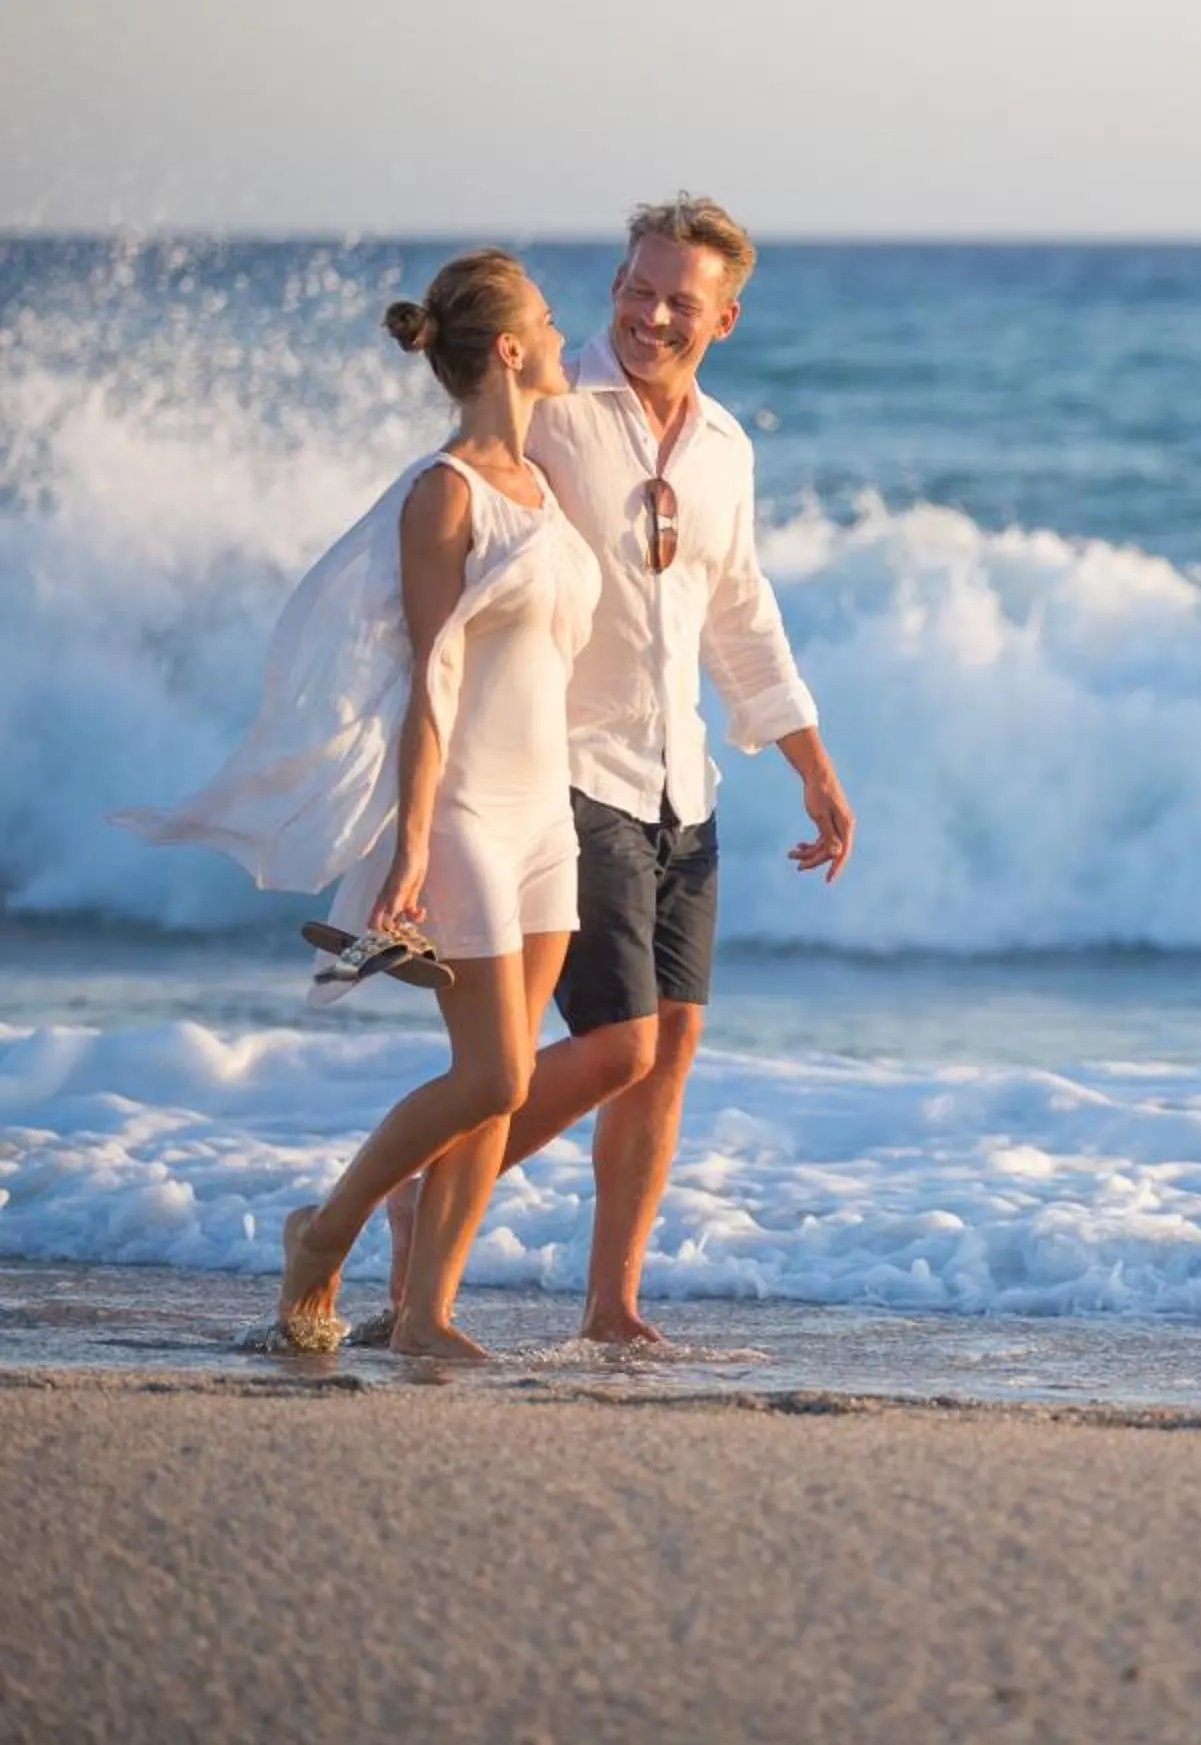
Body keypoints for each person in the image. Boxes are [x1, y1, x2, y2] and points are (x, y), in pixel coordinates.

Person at [348, 195, 852, 1348]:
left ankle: (610, 1305)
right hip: (572, 774)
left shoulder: (728, 447)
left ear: (726, 316)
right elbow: (464, 498)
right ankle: (417, 1203)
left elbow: (739, 609)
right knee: (602, 1045)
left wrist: (811, 762)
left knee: (666, 1053)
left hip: (685, 784)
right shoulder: (559, 406)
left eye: (681, 298)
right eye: (636, 285)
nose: (650, 314)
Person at [119, 251, 602, 1355]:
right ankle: (321, 1232)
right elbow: (431, 673)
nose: (563, 328)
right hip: (472, 810)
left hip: (546, 815)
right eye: (547, 314)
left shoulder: (548, 487)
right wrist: (414, 841)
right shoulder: (447, 492)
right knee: (499, 1072)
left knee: (492, 1093)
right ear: (511, 350)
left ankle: (426, 1313)